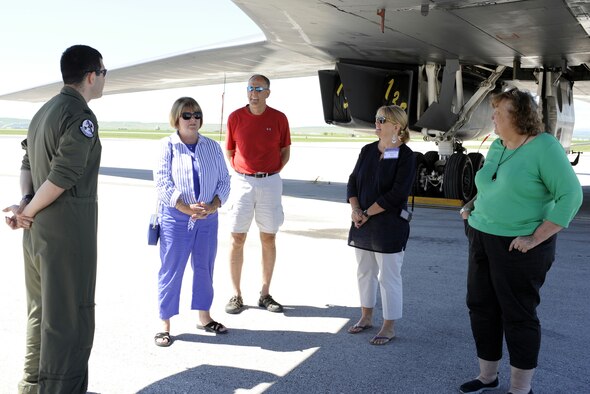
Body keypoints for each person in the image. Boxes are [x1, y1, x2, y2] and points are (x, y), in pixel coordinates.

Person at [458, 88, 583, 394]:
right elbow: (493, 183)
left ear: (517, 115)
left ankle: (519, 389)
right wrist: (471, 205)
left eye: (498, 112)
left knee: (518, 314)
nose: (493, 118)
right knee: (481, 307)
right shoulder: (499, 146)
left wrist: (535, 238)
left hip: (518, 245)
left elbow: (571, 195)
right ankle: (487, 377)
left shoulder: (544, 147)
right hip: (481, 237)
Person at [2, 45, 106, 394]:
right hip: (66, 232)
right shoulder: (80, 116)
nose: (103, 79)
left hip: (36, 234)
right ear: (92, 75)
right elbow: (63, 175)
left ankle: (32, 385)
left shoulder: (43, 111)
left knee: (40, 313)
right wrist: (26, 212)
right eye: (103, 73)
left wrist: (24, 205)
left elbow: (27, 165)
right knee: (69, 318)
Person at [153, 97, 231, 347]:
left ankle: (204, 317)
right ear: (176, 118)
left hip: (207, 218)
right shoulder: (167, 146)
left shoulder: (212, 147)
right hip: (176, 219)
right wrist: (186, 208)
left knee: (205, 268)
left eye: (197, 114)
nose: (193, 119)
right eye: (187, 115)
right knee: (171, 269)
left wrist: (213, 205)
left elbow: (224, 181)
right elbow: (163, 183)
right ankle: (164, 323)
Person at [346, 105, 416, 345]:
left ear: (396, 126)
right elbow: (353, 181)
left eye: (382, 119)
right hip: (363, 223)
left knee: (389, 276)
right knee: (364, 271)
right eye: (376, 118)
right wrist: (356, 210)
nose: (376, 122)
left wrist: (366, 212)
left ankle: (389, 325)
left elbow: (397, 194)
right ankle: (366, 316)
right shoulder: (367, 150)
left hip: (389, 225)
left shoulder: (405, 156)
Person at [224, 74, 291, 314]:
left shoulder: (279, 118)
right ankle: (236, 294)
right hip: (242, 182)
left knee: (268, 238)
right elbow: (230, 150)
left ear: (267, 93)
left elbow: (285, 151)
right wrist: (244, 173)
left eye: (259, 89)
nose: (254, 93)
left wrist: (271, 173)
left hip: (270, 182)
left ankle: (265, 294)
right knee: (237, 238)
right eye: (250, 88)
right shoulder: (235, 117)